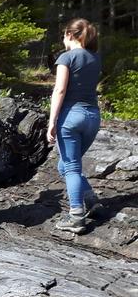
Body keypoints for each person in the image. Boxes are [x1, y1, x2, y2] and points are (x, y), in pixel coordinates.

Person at [47, 18, 102, 235]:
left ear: (70, 35)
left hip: (71, 117)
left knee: (70, 167)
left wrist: (51, 122)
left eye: (63, 35)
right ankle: (92, 201)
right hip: (92, 117)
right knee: (66, 166)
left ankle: (76, 216)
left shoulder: (67, 57)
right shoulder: (95, 58)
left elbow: (59, 91)